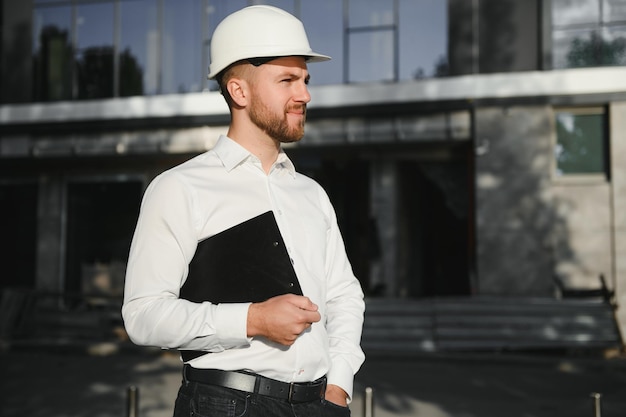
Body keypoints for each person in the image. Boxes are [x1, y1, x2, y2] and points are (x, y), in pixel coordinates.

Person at [122, 5, 365, 417]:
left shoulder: (311, 193)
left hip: (320, 405)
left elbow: (344, 296)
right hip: (226, 405)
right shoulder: (179, 187)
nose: (304, 94)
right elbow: (143, 316)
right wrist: (252, 319)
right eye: (287, 80)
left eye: (305, 80)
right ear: (239, 91)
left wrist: (339, 385)